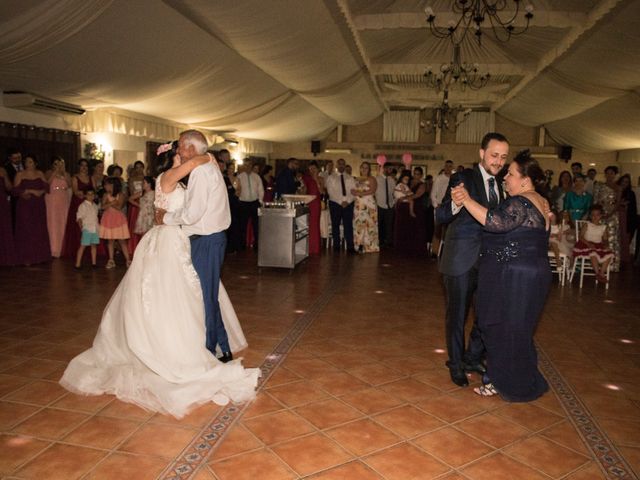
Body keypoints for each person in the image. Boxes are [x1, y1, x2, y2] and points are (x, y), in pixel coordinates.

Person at [60, 142, 259, 419]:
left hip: (176, 237)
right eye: (180, 153)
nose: (186, 157)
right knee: (167, 291)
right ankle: (173, 347)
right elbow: (192, 167)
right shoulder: (167, 177)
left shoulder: (176, 180)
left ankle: (195, 340)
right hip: (166, 241)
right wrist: (207, 156)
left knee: (183, 293)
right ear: (171, 158)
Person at [451, 150, 551, 402]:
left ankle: (501, 381)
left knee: (499, 327)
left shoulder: (521, 202)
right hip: (532, 274)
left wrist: (466, 199)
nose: (506, 177)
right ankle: (519, 378)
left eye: (511, 173)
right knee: (518, 329)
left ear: (525, 180)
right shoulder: (542, 201)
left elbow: (495, 222)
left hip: (513, 276)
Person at [436, 132, 508, 387]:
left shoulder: (503, 185)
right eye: (494, 155)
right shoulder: (463, 178)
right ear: (481, 153)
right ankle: (455, 365)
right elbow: (441, 215)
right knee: (457, 316)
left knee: (486, 314)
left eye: (503, 157)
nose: (498, 161)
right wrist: (456, 205)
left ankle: (472, 357)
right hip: (461, 259)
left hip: (489, 262)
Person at [156, 130, 234, 362]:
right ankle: (224, 347)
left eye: (180, 145)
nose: (178, 150)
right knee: (209, 295)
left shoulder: (201, 171)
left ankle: (209, 352)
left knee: (206, 298)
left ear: (190, 148)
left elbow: (193, 214)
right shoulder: (208, 166)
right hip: (210, 239)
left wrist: (165, 218)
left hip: (207, 240)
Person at [12, 154, 51, 265]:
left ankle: (40, 256)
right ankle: (26, 257)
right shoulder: (20, 174)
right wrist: (28, 191)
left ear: (35, 163)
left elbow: (47, 187)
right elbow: (15, 191)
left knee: (38, 229)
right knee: (26, 229)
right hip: (25, 205)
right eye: (26, 162)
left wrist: (41, 192)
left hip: (38, 205)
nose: (27, 164)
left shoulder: (39, 173)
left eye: (30, 162)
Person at [61, 159, 94, 258]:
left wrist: (90, 196)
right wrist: (87, 195)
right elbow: (76, 192)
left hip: (89, 205)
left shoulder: (91, 178)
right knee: (79, 226)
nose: (84, 168)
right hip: (78, 204)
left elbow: (94, 190)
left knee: (90, 225)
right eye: (82, 165)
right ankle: (77, 249)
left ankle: (89, 250)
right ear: (79, 167)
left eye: (86, 166)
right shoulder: (75, 177)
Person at [573, 204, 614, 283]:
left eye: (597, 215)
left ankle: (601, 273)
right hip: (585, 244)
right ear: (590, 216)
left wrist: (606, 245)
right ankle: (597, 273)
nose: (595, 217)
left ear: (601, 215)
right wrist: (588, 244)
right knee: (593, 253)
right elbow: (581, 236)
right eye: (593, 215)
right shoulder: (587, 224)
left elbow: (605, 239)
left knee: (610, 254)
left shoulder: (603, 227)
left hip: (598, 245)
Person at [325, 158, 356, 253]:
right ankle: (336, 246)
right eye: (340, 164)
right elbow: (330, 192)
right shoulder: (331, 177)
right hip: (335, 203)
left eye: (343, 164)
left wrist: (348, 201)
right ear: (336, 166)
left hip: (348, 204)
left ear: (345, 165)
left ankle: (350, 247)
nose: (341, 166)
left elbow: (353, 191)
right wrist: (340, 201)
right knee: (335, 224)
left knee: (348, 225)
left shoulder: (350, 178)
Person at [99, 177, 131, 269]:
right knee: (110, 240)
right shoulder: (105, 195)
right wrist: (113, 203)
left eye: (107, 184)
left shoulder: (120, 194)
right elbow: (102, 207)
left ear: (113, 185)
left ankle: (128, 260)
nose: (105, 186)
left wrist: (110, 203)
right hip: (108, 219)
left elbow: (119, 207)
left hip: (118, 219)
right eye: (105, 184)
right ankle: (111, 260)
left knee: (122, 241)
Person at [593, 166, 620, 271]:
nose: (609, 175)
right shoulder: (600, 186)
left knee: (612, 238)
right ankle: (599, 264)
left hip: (612, 215)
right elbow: (596, 201)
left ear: (615, 175)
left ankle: (612, 265)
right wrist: (599, 214)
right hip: (600, 215)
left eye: (612, 173)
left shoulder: (618, 187)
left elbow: (617, 203)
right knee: (600, 238)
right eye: (607, 173)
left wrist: (610, 214)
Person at [45, 156, 72, 258]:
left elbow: (69, 185)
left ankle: (63, 248)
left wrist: (64, 173)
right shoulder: (48, 173)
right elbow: (47, 184)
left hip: (63, 199)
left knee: (63, 221)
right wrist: (55, 172)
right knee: (53, 223)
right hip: (52, 200)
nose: (58, 165)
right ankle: (53, 249)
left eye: (60, 163)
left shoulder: (66, 174)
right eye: (56, 163)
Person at [351, 161, 379, 253]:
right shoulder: (356, 179)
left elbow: (372, 190)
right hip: (358, 204)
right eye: (362, 167)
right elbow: (352, 190)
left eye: (366, 167)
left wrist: (359, 193)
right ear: (360, 168)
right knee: (358, 224)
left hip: (369, 204)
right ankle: (359, 245)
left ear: (369, 169)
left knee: (369, 225)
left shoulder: (372, 179)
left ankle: (370, 246)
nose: (364, 169)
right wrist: (353, 192)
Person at [236, 161, 264, 250]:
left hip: (254, 203)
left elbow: (260, 189)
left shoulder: (256, 176)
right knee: (242, 225)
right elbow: (236, 189)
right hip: (243, 203)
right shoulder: (239, 177)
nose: (248, 166)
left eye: (250, 164)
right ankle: (242, 244)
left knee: (256, 225)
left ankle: (257, 244)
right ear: (244, 165)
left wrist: (260, 200)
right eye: (246, 164)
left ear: (252, 165)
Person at [431, 160, 454, 256]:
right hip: (440, 206)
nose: (448, 168)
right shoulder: (439, 179)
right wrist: (436, 206)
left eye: (450, 166)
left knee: (449, 231)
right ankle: (434, 251)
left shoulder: (454, 179)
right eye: (447, 166)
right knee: (437, 230)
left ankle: (445, 252)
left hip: (451, 207)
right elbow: (433, 194)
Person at [75, 189, 100, 268]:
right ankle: (77, 264)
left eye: (92, 194)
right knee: (83, 246)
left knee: (94, 245)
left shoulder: (95, 206)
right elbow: (79, 217)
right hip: (87, 228)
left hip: (95, 228)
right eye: (88, 194)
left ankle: (94, 263)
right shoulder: (83, 205)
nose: (91, 196)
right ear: (85, 195)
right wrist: (81, 228)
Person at [303, 161, 324, 255]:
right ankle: (307, 246)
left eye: (314, 169)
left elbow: (322, 192)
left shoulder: (321, 179)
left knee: (315, 224)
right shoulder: (306, 179)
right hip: (308, 202)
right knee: (307, 224)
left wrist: (316, 180)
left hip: (316, 204)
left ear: (318, 169)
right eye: (310, 169)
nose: (312, 171)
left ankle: (314, 247)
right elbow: (303, 191)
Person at [375, 163, 396, 248]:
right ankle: (379, 241)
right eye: (389, 168)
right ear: (384, 168)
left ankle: (388, 241)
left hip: (390, 205)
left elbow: (393, 192)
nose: (390, 171)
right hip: (380, 205)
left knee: (389, 224)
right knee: (379, 225)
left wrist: (394, 202)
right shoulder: (377, 179)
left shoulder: (392, 180)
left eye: (391, 169)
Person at [0, 166, 16, 265]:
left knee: (4, 228)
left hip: (2, 202)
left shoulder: (2, 170)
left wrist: (5, 176)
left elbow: (9, 187)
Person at [4, 148, 23, 230]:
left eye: (19, 157)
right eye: (15, 158)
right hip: (14, 199)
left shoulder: (27, 165)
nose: (18, 160)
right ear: (10, 158)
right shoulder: (6, 168)